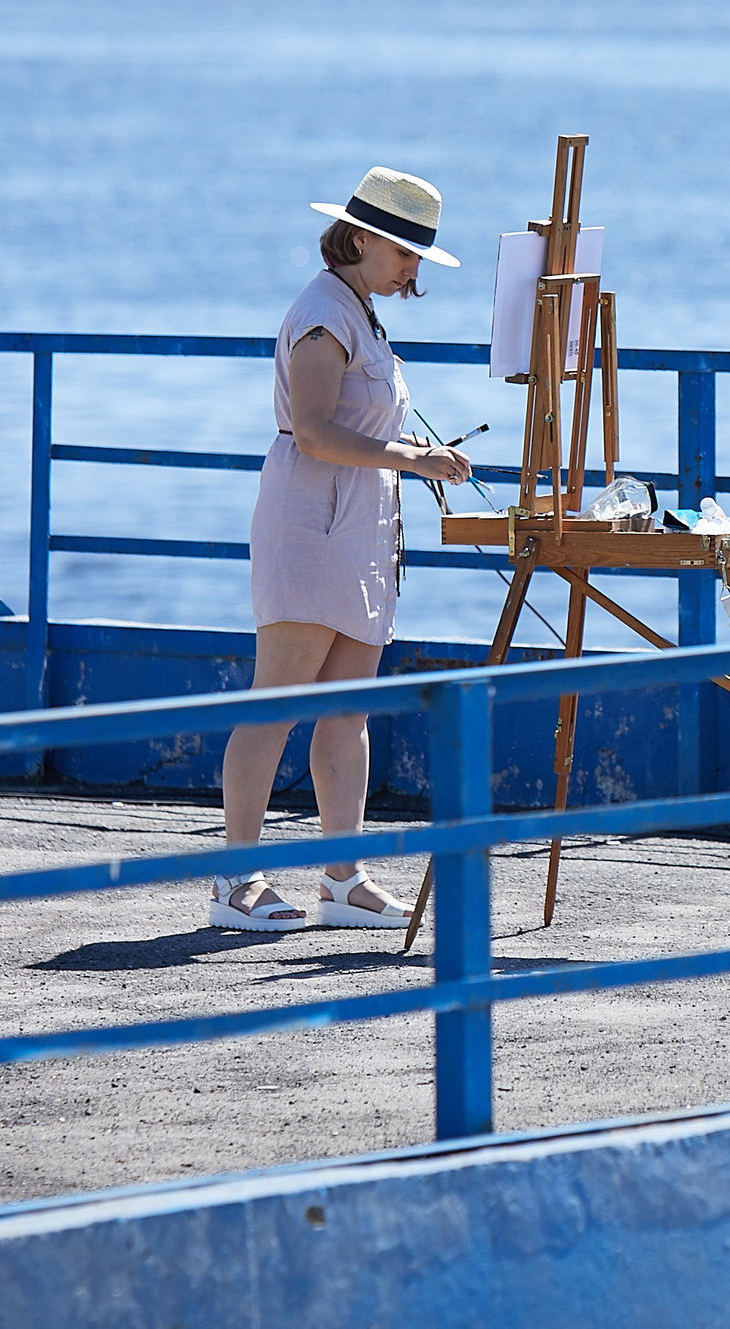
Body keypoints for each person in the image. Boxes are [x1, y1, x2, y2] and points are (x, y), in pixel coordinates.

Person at [210, 167, 473, 930]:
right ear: (360, 238)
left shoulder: (353, 310)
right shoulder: (325, 314)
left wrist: (409, 450)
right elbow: (319, 432)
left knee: (347, 708)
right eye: (404, 252)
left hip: (354, 522)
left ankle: (342, 877)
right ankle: (234, 881)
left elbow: (353, 426)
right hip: (313, 521)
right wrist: (413, 459)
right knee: (280, 702)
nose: (413, 268)